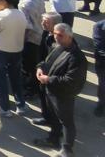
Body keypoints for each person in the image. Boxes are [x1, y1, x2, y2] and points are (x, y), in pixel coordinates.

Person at [34, 23, 87, 156]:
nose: (55, 37)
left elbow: (70, 81)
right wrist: (40, 68)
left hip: (63, 94)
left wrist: (48, 79)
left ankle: (67, 149)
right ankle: (53, 139)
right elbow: (46, 62)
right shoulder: (58, 46)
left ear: (69, 37)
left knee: (66, 121)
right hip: (50, 91)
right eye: (54, 34)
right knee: (53, 117)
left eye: (60, 35)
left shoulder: (77, 57)